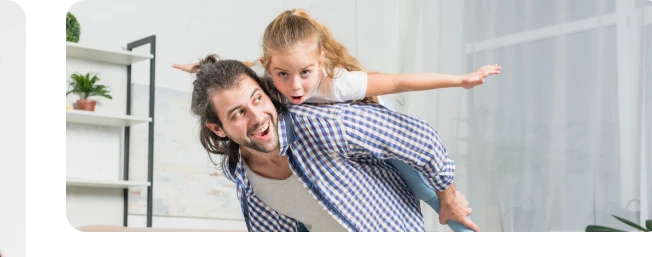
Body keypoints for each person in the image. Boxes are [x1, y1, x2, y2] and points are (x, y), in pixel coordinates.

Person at [175, 8, 497, 231]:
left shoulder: (330, 104)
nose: (258, 116)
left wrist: (448, 197)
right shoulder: (241, 176)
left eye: (257, 99)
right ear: (218, 129)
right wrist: (199, 67)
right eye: (238, 113)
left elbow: (410, 115)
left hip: (384, 151)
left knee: (428, 190)